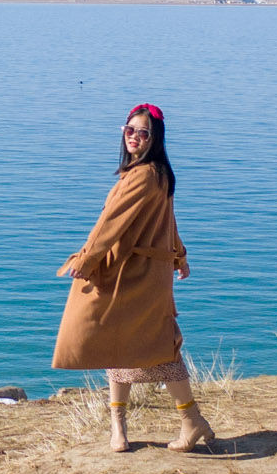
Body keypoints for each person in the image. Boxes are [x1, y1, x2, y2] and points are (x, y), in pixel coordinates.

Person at [52, 103, 215, 454]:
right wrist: (180, 253)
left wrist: (86, 259)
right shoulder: (158, 173)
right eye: (130, 131)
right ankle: (122, 427)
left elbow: (111, 222)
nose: (135, 138)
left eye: (144, 133)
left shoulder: (144, 175)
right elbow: (167, 220)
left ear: (155, 139)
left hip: (132, 274)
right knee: (124, 343)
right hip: (143, 273)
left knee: (154, 345)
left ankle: (187, 420)